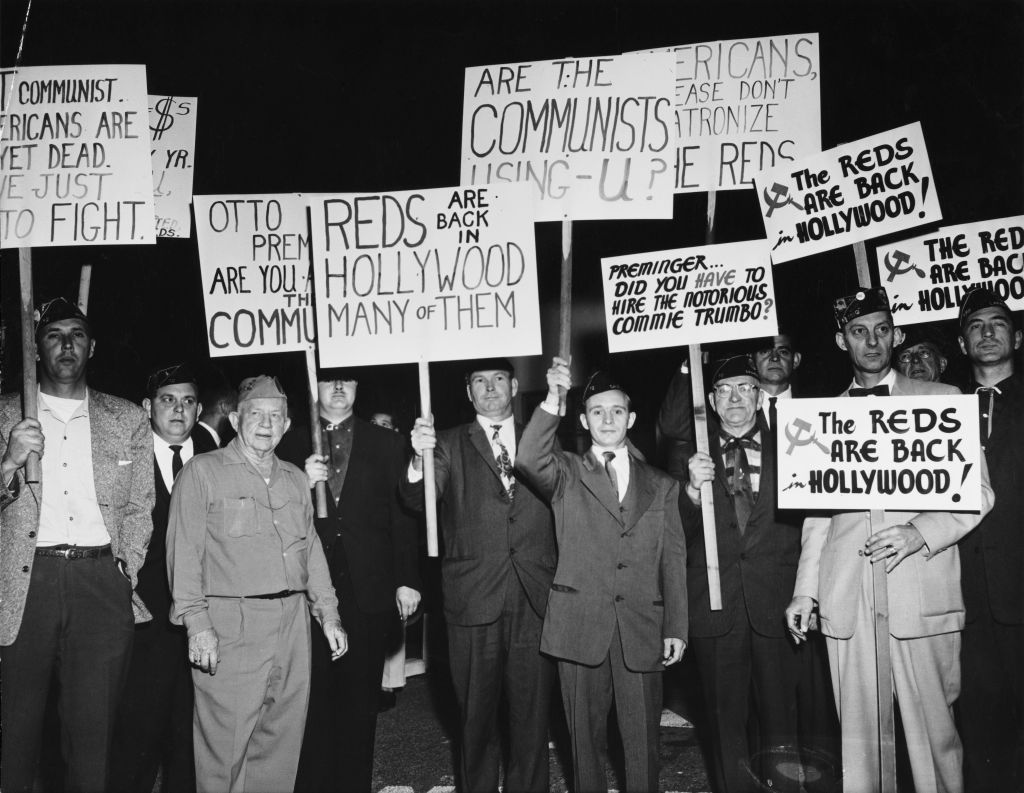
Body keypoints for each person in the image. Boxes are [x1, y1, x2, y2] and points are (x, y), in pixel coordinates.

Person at [785, 288, 994, 793]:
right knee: (858, 749)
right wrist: (805, 590)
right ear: (842, 341)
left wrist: (919, 531)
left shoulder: (943, 401)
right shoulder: (819, 418)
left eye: (882, 329)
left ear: (897, 336)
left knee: (933, 740)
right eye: (859, 332)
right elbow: (818, 516)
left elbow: (980, 492)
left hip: (919, 591)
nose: (872, 341)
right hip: (848, 598)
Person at [0, 297, 155, 793]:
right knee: (15, 736)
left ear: (92, 347)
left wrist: (123, 570)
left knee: (93, 737)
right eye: (53, 335)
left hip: (99, 585)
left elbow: (140, 507)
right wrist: (8, 463)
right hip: (26, 588)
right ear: (36, 348)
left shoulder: (126, 418)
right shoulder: (5, 415)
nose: (66, 345)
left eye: (77, 334)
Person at [166, 375, 346, 793]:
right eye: (256, 414)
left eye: (276, 416)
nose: (266, 424)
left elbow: (311, 551)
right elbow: (185, 554)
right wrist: (198, 625)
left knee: (279, 746)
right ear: (234, 418)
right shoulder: (202, 473)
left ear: (287, 425)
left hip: (292, 626)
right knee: (223, 751)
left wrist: (329, 614)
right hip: (232, 626)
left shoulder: (295, 479)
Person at [517, 358, 687, 793]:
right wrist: (553, 399)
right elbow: (528, 457)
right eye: (596, 411)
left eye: (616, 411)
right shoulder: (567, 473)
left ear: (631, 418)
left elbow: (672, 559)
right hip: (579, 626)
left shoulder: (661, 484)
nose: (607, 419)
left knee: (643, 743)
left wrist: (677, 628)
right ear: (583, 419)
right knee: (584, 745)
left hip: (641, 628)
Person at [401, 358, 557, 793]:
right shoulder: (447, 443)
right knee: (476, 719)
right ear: (468, 392)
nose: (490, 389)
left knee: (531, 719)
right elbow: (418, 499)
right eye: (479, 382)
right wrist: (418, 456)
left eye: (499, 380)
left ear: (514, 386)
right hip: (473, 600)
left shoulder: (542, 438)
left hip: (534, 599)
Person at [277, 371, 420, 793]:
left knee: (360, 705)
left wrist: (407, 580)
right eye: (328, 381)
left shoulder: (387, 442)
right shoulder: (289, 442)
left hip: (369, 587)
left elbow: (403, 516)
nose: (338, 389)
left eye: (348, 381)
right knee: (310, 702)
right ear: (313, 388)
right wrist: (301, 482)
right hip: (307, 589)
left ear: (359, 388)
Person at [681, 355, 805, 792]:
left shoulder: (795, 444)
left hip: (777, 604)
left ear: (760, 395)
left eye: (745, 388)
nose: (735, 398)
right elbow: (671, 536)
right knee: (725, 726)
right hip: (717, 607)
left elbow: (813, 524)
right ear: (711, 402)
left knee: (781, 724)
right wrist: (692, 493)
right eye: (724, 391)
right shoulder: (689, 455)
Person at [111, 363, 216, 793]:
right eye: (168, 401)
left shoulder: (212, 450)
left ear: (200, 409)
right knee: (138, 728)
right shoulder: (125, 455)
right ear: (147, 407)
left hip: (201, 617)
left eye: (188, 402)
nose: (178, 411)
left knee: (191, 732)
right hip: (145, 613)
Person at [954, 286, 1024, 792]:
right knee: (977, 728)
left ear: (1016, 337)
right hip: (963, 594)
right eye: (976, 325)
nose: (987, 332)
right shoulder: (939, 410)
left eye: (997, 323)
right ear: (962, 344)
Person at [194, 383, 237, 448]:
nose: (238, 414)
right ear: (224, 408)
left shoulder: (196, 437)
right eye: (236, 407)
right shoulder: (196, 443)